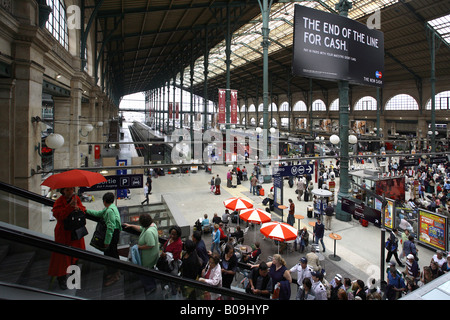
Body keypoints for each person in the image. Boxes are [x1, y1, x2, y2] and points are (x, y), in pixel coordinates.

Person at [48, 187, 87, 290]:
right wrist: (70, 207)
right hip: (64, 234)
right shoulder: (59, 201)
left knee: (75, 255)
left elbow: (83, 209)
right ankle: (62, 278)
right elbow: (59, 215)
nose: (70, 192)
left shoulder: (76, 198)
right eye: (67, 190)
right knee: (62, 257)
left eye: (71, 189)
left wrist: (78, 208)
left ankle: (74, 278)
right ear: (63, 191)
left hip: (74, 232)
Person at [86, 192, 122, 286]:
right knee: (113, 253)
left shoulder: (110, 211)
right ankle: (115, 273)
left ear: (104, 201)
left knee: (111, 255)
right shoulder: (111, 208)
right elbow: (98, 214)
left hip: (112, 235)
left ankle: (115, 275)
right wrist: (85, 210)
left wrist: (107, 241)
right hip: (114, 234)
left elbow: (110, 227)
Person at [123, 213, 159, 293]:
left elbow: (151, 244)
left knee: (144, 273)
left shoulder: (149, 232)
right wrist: (131, 226)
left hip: (148, 257)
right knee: (150, 271)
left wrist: (139, 247)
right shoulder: (152, 225)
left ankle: (150, 287)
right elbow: (141, 228)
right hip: (151, 256)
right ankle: (151, 283)